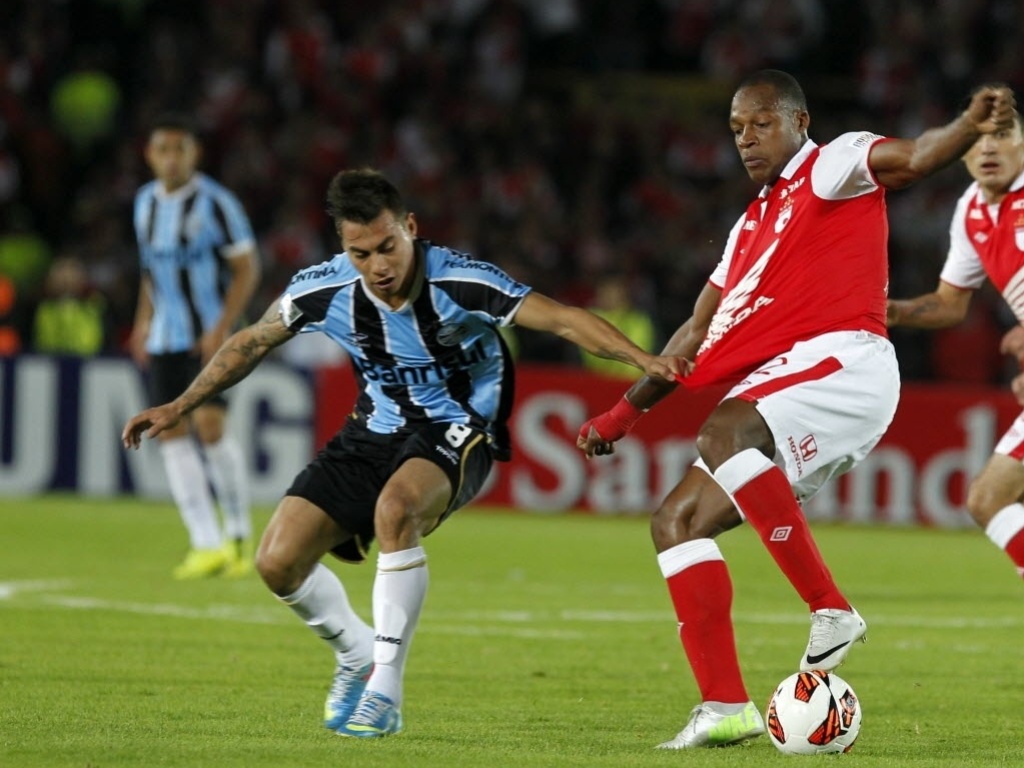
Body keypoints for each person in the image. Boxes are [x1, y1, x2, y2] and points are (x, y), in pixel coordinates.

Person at [122, 168, 683, 738]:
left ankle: (384, 689)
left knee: (397, 510)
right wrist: (180, 405)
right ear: (344, 249)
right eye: (360, 253)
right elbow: (251, 341)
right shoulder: (324, 288)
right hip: (374, 428)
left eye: (388, 246)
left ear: (410, 227)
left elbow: (562, 319)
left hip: (461, 425)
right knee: (277, 562)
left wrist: (644, 360)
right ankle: (357, 654)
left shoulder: (461, 280)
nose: (378, 266)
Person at [576, 71, 1017, 749]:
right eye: (735, 129)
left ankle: (831, 609)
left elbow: (919, 156)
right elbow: (697, 333)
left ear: (799, 121)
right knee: (676, 522)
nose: (746, 139)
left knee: (725, 428)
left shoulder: (835, 165)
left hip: (846, 362)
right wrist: (620, 416)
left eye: (760, 123)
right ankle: (725, 706)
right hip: (803, 379)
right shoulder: (748, 226)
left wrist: (965, 126)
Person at [888, 109, 1024, 581]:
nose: (989, 149)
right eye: (977, 141)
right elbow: (950, 304)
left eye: (1003, 136)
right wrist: (891, 311)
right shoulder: (971, 210)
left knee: (991, 499)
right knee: (989, 500)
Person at [128, 113, 260, 580]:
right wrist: (143, 322)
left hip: (212, 336)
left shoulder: (216, 204)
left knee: (210, 428)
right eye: (161, 150)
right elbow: (151, 271)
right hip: (166, 336)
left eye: (178, 150)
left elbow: (247, 268)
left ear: (193, 154)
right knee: (172, 434)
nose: (169, 159)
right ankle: (205, 543)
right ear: (150, 154)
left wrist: (223, 326)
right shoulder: (144, 203)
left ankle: (240, 537)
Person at [579, 271, 657, 379]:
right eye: (606, 291)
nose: (611, 296)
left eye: (615, 291)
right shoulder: (588, 317)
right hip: (595, 381)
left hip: (628, 384)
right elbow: (590, 357)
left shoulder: (639, 320)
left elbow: (639, 358)